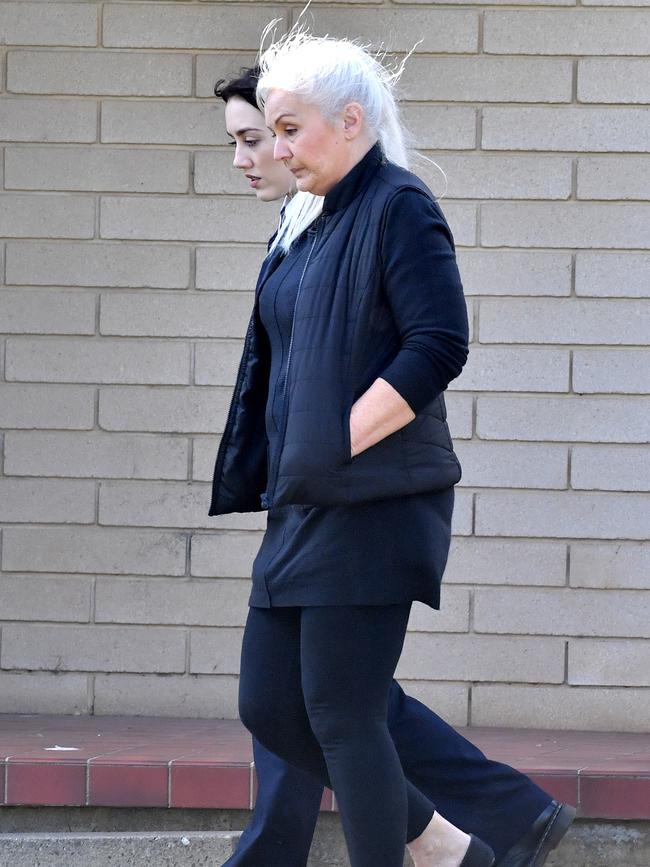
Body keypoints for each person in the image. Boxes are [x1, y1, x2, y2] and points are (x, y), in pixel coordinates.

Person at [210, 44, 575, 867]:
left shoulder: (398, 205)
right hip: (304, 500)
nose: (279, 148)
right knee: (272, 705)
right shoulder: (313, 220)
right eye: (272, 131)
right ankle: (450, 850)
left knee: (343, 711)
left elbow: (438, 342)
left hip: (371, 501)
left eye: (289, 129)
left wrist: (335, 442)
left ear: (352, 121)